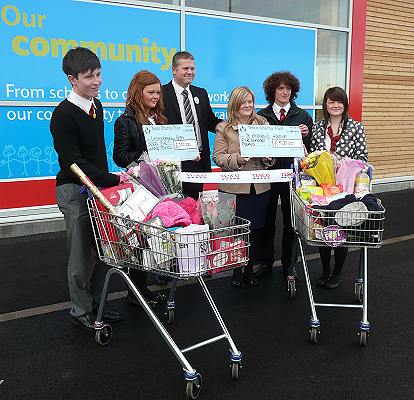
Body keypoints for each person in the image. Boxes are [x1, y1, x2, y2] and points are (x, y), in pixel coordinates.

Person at [50, 47, 123, 331]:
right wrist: (109, 180)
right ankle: (81, 311)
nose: (97, 81)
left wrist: (106, 182)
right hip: (73, 190)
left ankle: (97, 305)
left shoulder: (97, 106)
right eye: (89, 76)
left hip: (97, 190)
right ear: (72, 79)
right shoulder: (63, 115)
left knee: (102, 250)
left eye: (99, 74)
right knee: (81, 255)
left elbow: (96, 155)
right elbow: (73, 163)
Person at [113, 70, 169, 305]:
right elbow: (119, 156)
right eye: (151, 92)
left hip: (162, 186)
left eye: (158, 92)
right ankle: (136, 292)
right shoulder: (125, 121)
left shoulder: (161, 119)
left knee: (154, 236)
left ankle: (144, 288)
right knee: (139, 239)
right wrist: (148, 155)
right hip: (139, 188)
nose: (155, 96)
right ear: (139, 92)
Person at [213, 86, 274, 287]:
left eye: (250, 101)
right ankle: (237, 269)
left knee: (256, 231)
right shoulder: (223, 128)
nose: (248, 105)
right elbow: (218, 157)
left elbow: (271, 154)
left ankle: (248, 268)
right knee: (237, 231)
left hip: (259, 187)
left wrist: (268, 157)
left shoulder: (263, 123)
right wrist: (237, 158)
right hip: (233, 188)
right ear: (235, 104)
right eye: (243, 102)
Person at [256, 71, 313, 279]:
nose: (285, 92)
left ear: (293, 91)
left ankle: (290, 265)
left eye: (288, 89)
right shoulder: (261, 116)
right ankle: (265, 261)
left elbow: (310, 149)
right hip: (269, 177)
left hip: (292, 178)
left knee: (291, 223)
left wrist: (307, 136)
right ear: (273, 91)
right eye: (280, 88)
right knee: (266, 222)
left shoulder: (303, 116)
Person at [310, 86, 368, 289]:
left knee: (341, 227)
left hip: (346, 188)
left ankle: (337, 272)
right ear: (326, 104)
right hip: (322, 189)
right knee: (325, 229)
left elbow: (363, 159)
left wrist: (341, 162)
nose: (335, 105)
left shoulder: (356, 127)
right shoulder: (318, 128)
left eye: (339, 101)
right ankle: (325, 270)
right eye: (331, 101)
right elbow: (312, 158)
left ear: (344, 104)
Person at [162, 51, 222, 199]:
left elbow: (210, 121)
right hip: (174, 163)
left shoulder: (201, 93)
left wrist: (228, 127)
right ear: (174, 70)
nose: (190, 72)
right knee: (175, 204)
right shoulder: (162, 93)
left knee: (194, 205)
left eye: (192, 69)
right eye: (186, 68)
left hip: (198, 161)